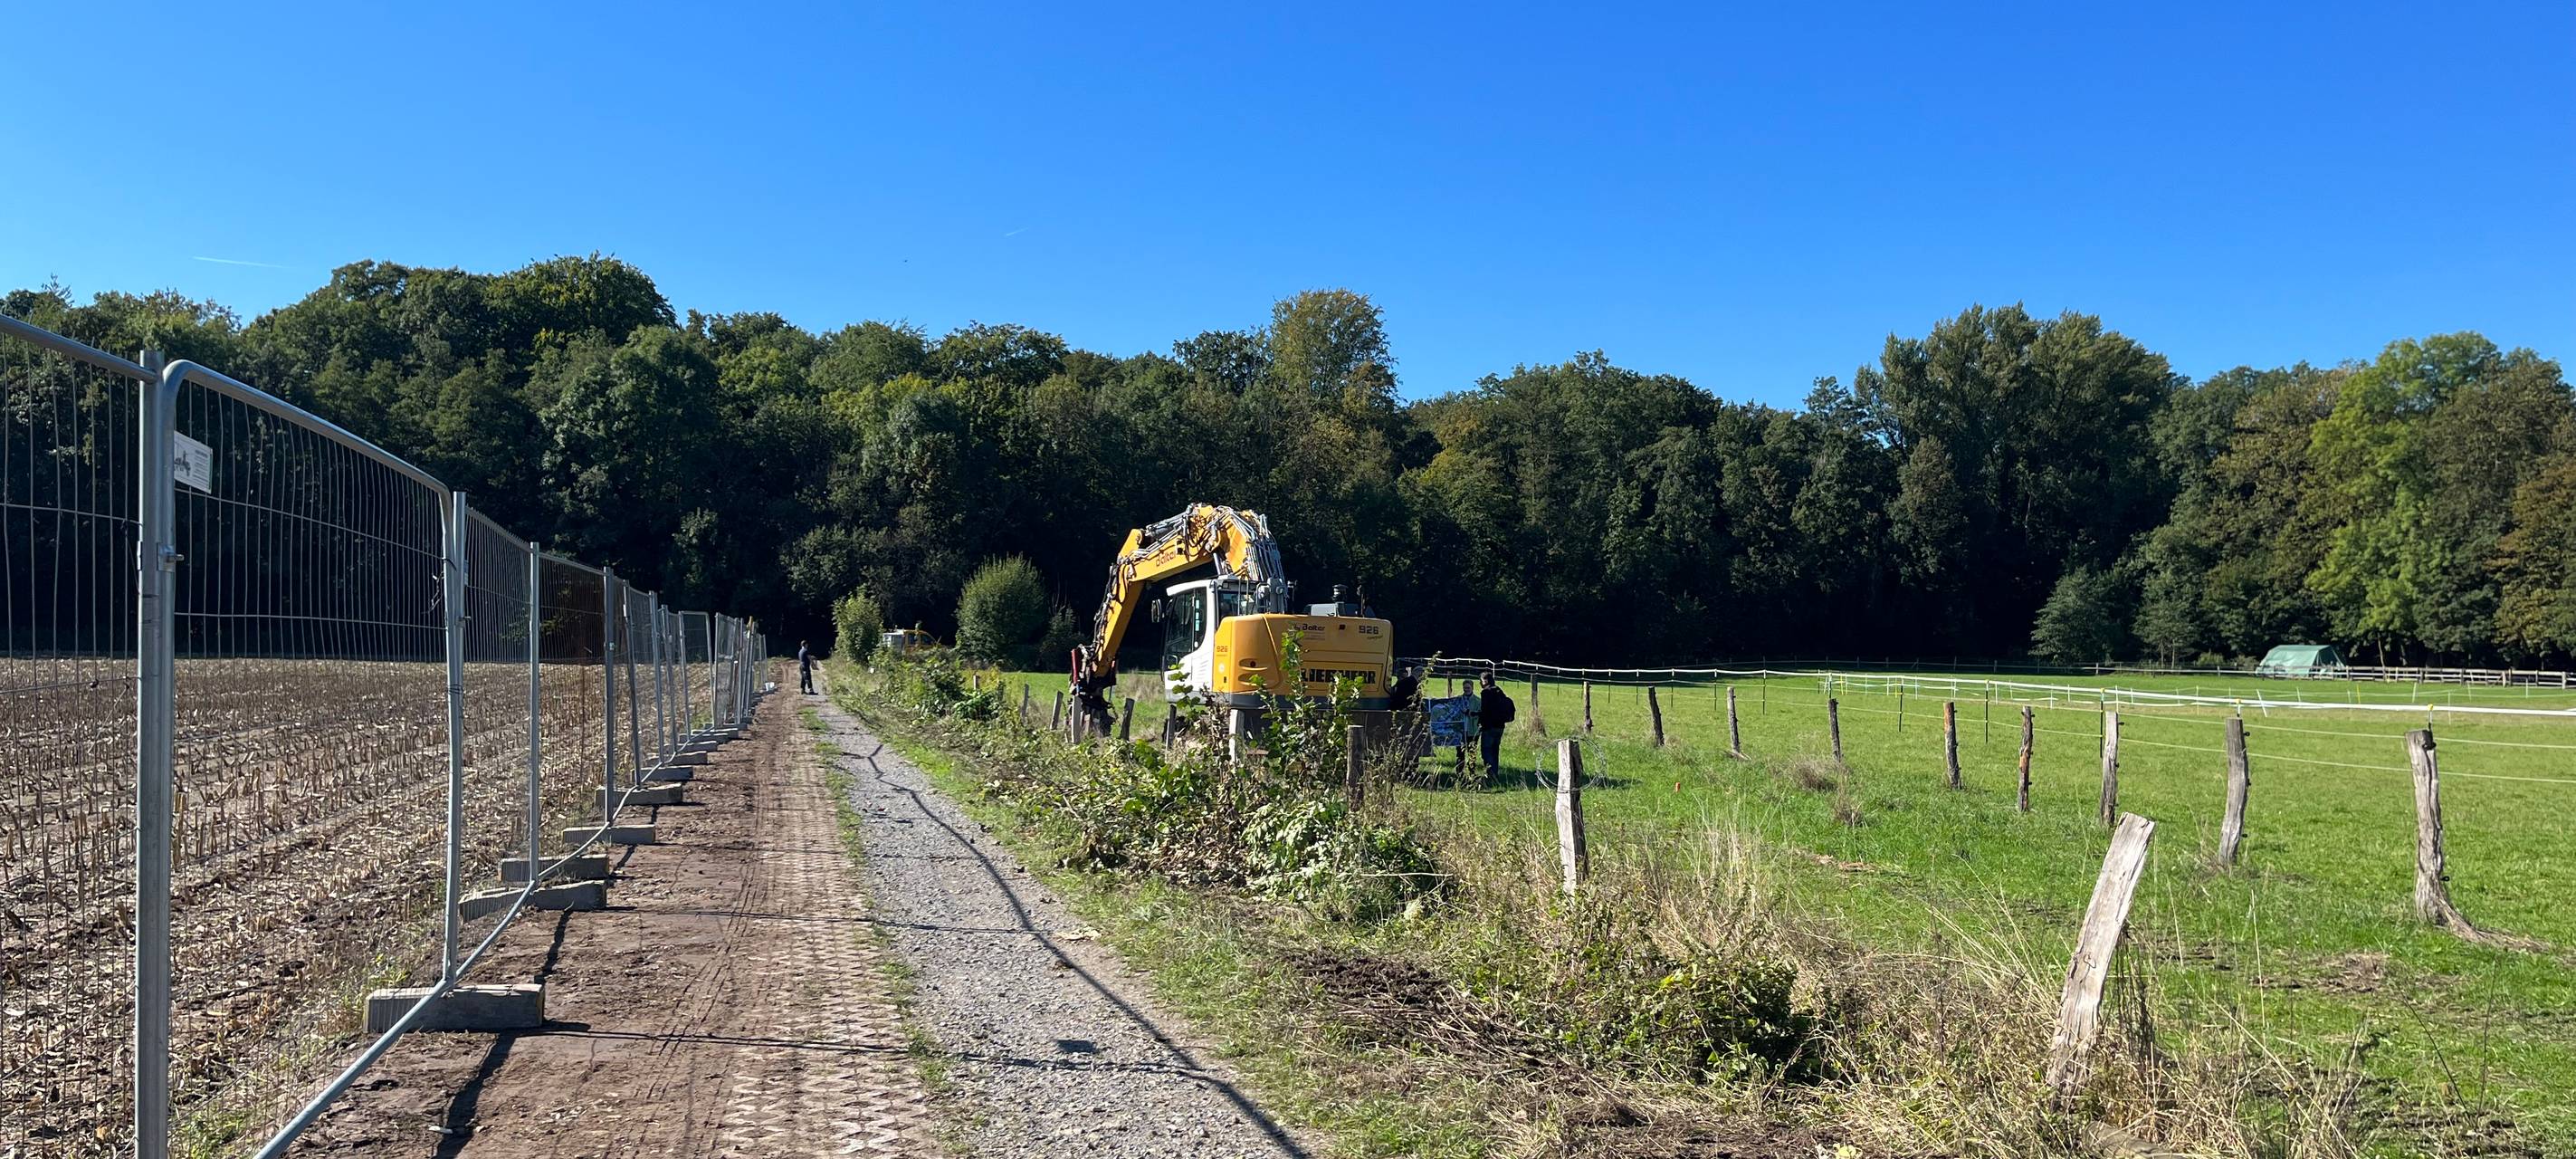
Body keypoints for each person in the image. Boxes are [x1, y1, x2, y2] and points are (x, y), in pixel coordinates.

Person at [1476, 672, 1515, 779]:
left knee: (1486, 750)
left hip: (1489, 726)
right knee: (1495, 750)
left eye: (1481, 680)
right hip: (1500, 726)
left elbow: (1485, 711)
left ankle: (1490, 773)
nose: (1480, 683)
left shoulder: (1486, 693)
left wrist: (1480, 723)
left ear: (1485, 681)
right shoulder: (1499, 691)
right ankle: (1495, 772)